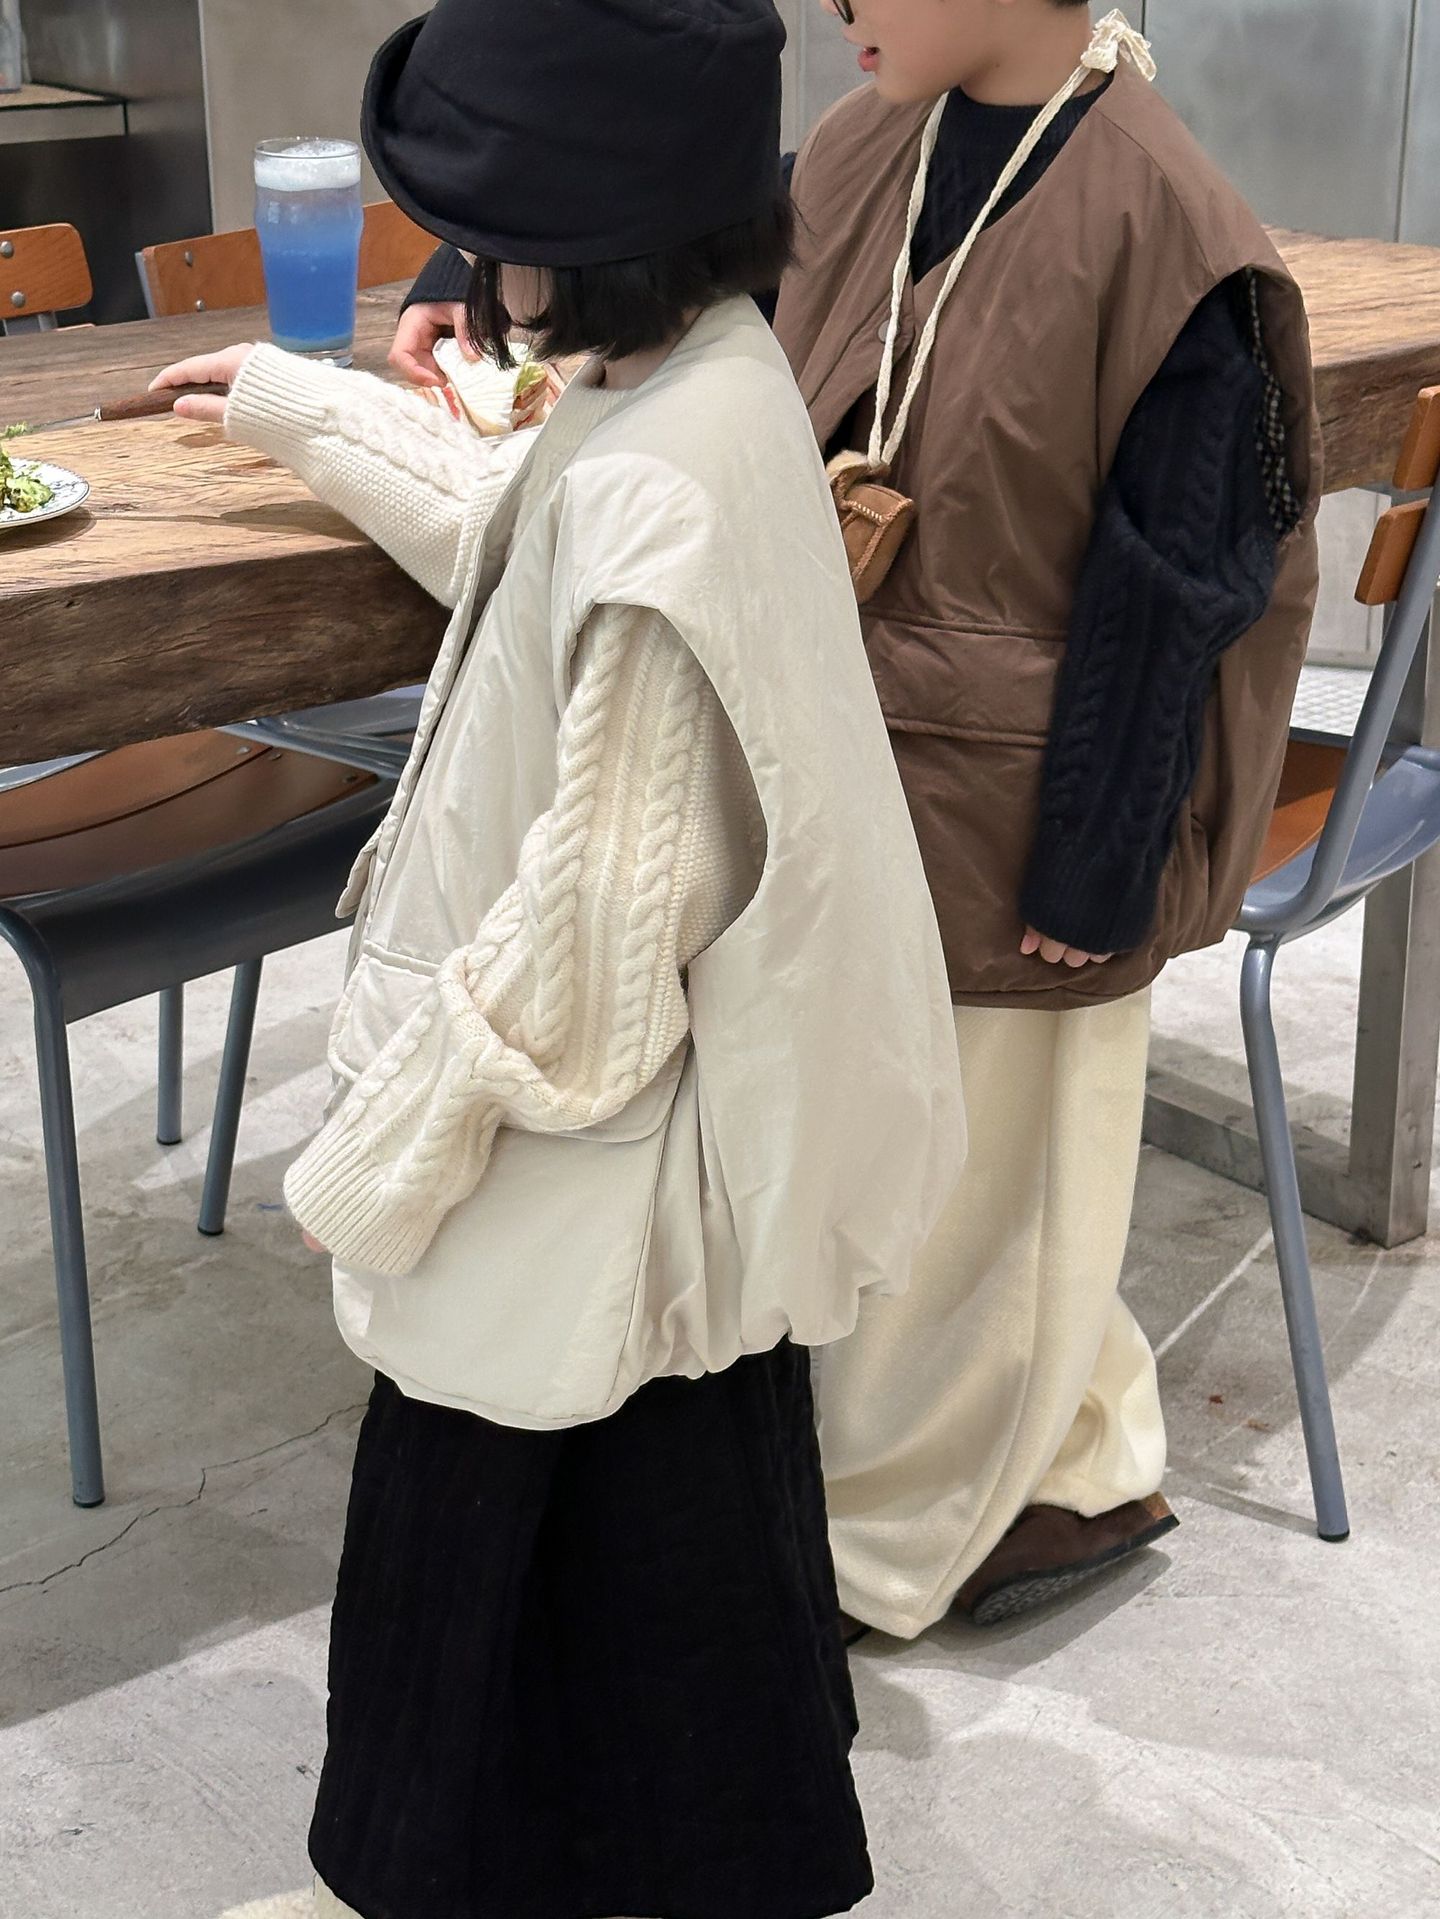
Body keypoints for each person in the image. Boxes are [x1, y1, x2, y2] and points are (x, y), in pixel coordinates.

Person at [152, 2, 964, 1912]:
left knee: (491, 1540)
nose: (466, 267)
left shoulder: (657, 480)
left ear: (573, 234)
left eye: (485, 227)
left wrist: (380, 1158)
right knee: (666, 1557)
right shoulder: (706, 385)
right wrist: (301, 405)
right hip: (622, 1161)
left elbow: (590, 969)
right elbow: (522, 541)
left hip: (564, 1155)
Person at [395, 0, 1323, 1646]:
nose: (837, 3)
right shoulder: (873, 136)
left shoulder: (1171, 231)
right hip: (860, 746)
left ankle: (895, 1544)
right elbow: (692, 210)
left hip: (1017, 797)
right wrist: (485, 250)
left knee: (976, 1192)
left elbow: (1181, 578)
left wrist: (1099, 861)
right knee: (913, 1170)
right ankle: (1065, 1460)